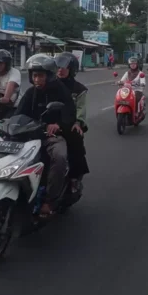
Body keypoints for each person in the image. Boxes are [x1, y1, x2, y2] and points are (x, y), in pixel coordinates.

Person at [15, 54, 77, 218]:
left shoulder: (60, 90)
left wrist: (59, 125)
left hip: (51, 136)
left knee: (60, 157)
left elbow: (70, 112)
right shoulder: (30, 93)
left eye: (40, 75)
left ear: (49, 76)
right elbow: (18, 114)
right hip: (30, 135)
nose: (37, 79)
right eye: (34, 75)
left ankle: (50, 200)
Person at [54, 52, 89, 192]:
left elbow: (81, 108)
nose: (60, 70)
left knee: (76, 141)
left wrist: (78, 122)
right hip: (51, 122)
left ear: (72, 70)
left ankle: (75, 178)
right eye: (58, 67)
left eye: (64, 67)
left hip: (70, 124)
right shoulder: (51, 85)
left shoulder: (78, 89)